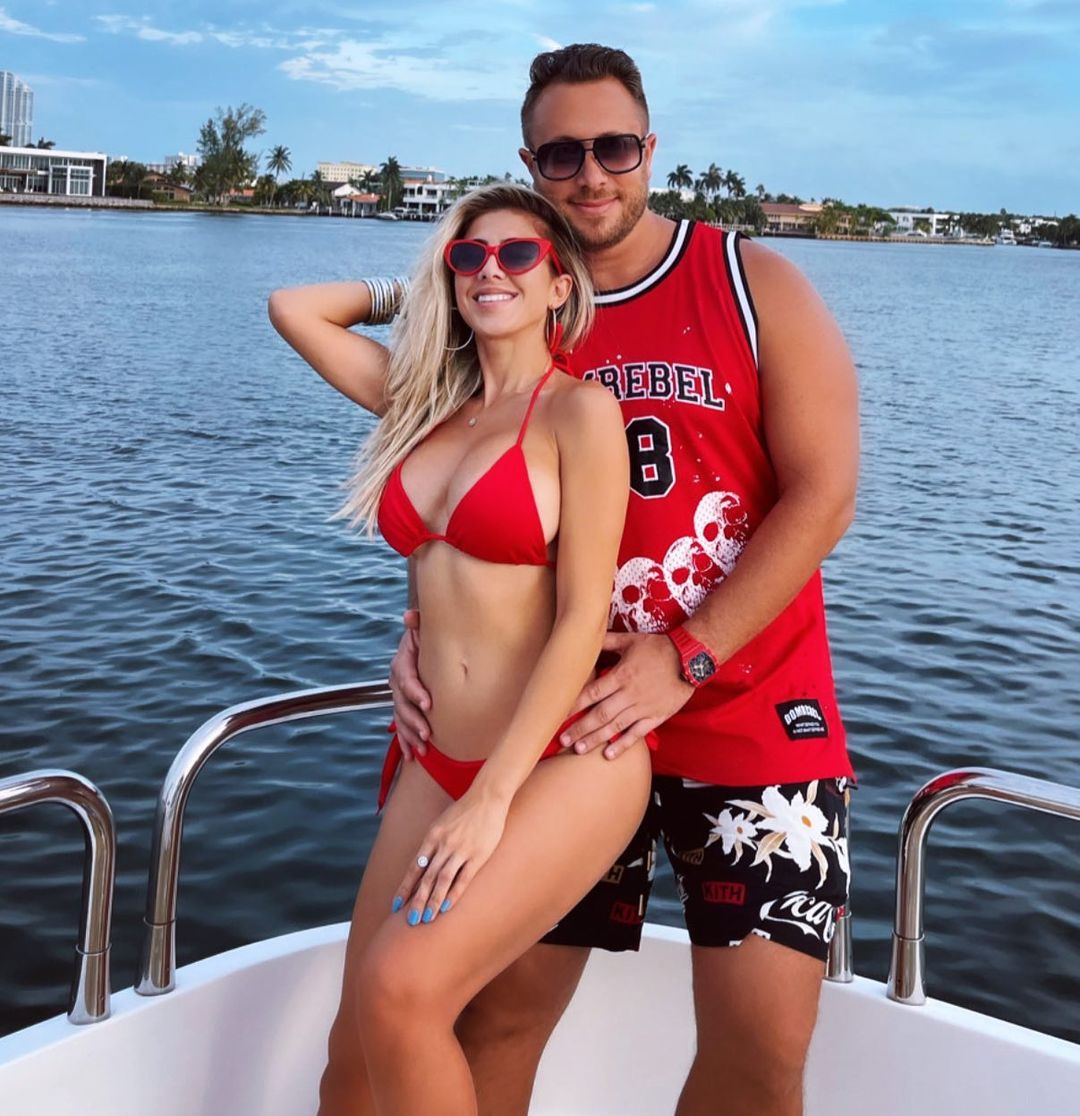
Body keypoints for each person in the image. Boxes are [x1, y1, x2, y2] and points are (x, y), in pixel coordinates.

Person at [388, 44, 860, 1116]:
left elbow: (824, 493)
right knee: (497, 1018)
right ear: (530, 164)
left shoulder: (749, 281)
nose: (591, 174)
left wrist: (688, 654)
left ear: (651, 149)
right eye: (562, 154)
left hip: (746, 708)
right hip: (558, 724)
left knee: (761, 1050)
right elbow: (457, 493)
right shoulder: (506, 301)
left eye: (614, 147)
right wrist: (419, 634)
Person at [268, 183, 654, 1115]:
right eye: (469, 256)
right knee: (351, 1062)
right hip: (433, 759)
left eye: (518, 256)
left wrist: (491, 799)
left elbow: (580, 618)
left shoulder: (580, 414)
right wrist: (425, 289)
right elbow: (293, 308)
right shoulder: (423, 405)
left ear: (560, 286)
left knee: (400, 995)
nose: (492, 270)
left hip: (556, 760)